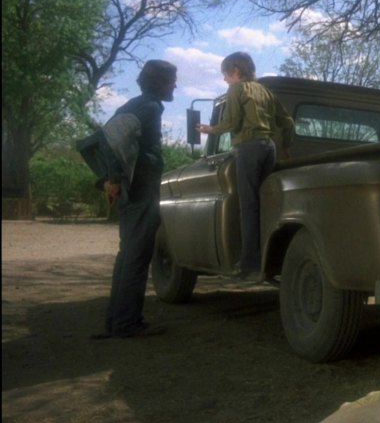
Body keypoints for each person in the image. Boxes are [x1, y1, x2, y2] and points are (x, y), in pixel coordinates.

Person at [92, 59, 178, 339]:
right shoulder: (150, 107)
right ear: (160, 82)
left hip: (132, 190)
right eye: (172, 80)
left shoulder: (131, 105)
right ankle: (128, 324)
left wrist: (112, 178)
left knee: (127, 254)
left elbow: (106, 139)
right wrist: (115, 178)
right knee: (137, 256)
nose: (175, 85)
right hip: (141, 189)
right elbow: (114, 139)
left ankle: (117, 321)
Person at [197, 51, 295, 282]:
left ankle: (249, 263)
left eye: (225, 75)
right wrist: (285, 147)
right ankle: (268, 257)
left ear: (236, 72)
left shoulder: (236, 90)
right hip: (268, 147)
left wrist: (209, 130)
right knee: (266, 204)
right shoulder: (266, 92)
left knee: (248, 205)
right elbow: (287, 121)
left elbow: (232, 122)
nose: (224, 80)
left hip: (248, 148)